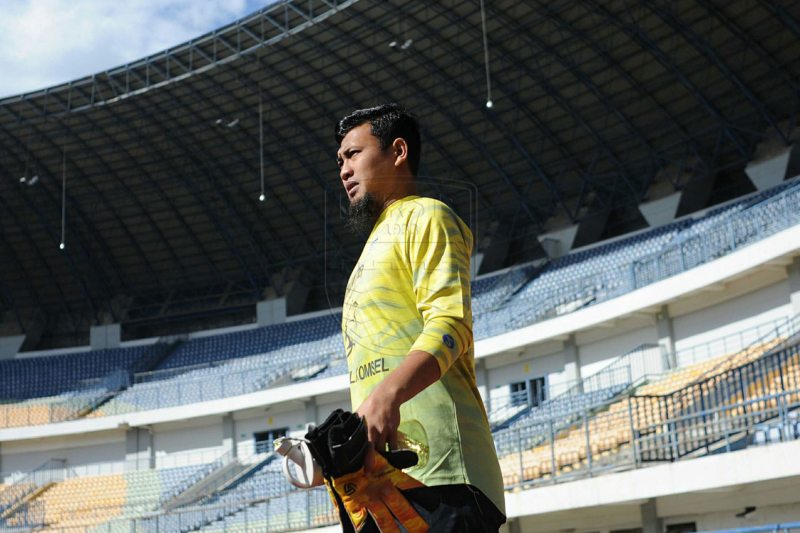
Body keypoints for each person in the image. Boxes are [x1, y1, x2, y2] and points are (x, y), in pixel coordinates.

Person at [335, 103, 506, 532]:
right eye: (339, 161)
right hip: (380, 489)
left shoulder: (427, 214)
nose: (343, 169)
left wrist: (388, 394)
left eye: (353, 154)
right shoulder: (368, 251)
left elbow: (451, 325)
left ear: (397, 151)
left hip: (443, 479)